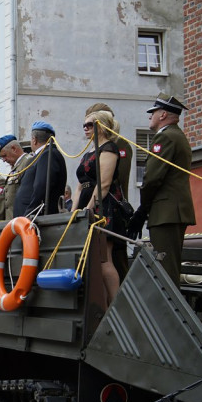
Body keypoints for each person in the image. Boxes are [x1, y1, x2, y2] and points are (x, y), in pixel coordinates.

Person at [129, 93, 196, 286]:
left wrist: (142, 209)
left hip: (166, 212)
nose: (150, 116)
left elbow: (152, 178)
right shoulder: (176, 136)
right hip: (170, 210)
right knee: (167, 267)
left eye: (154, 112)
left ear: (163, 114)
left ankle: (169, 315)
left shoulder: (166, 137)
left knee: (165, 270)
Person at [72, 109, 128, 305]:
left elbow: (103, 184)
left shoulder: (109, 148)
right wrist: (74, 212)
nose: (85, 128)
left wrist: (89, 209)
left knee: (104, 259)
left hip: (103, 207)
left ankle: (116, 305)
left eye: (90, 125)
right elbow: (80, 185)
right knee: (94, 261)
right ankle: (103, 308)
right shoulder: (89, 150)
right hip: (87, 203)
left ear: (102, 127)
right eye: (84, 125)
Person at [15, 121, 66, 216]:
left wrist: (30, 212)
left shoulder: (48, 154)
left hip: (35, 217)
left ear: (34, 140)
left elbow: (41, 186)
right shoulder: (42, 155)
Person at [0, 134, 28, 220]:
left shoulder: (28, 162)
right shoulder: (15, 167)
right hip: (12, 221)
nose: (4, 160)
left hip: (22, 220)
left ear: (14, 149)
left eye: (4, 155)